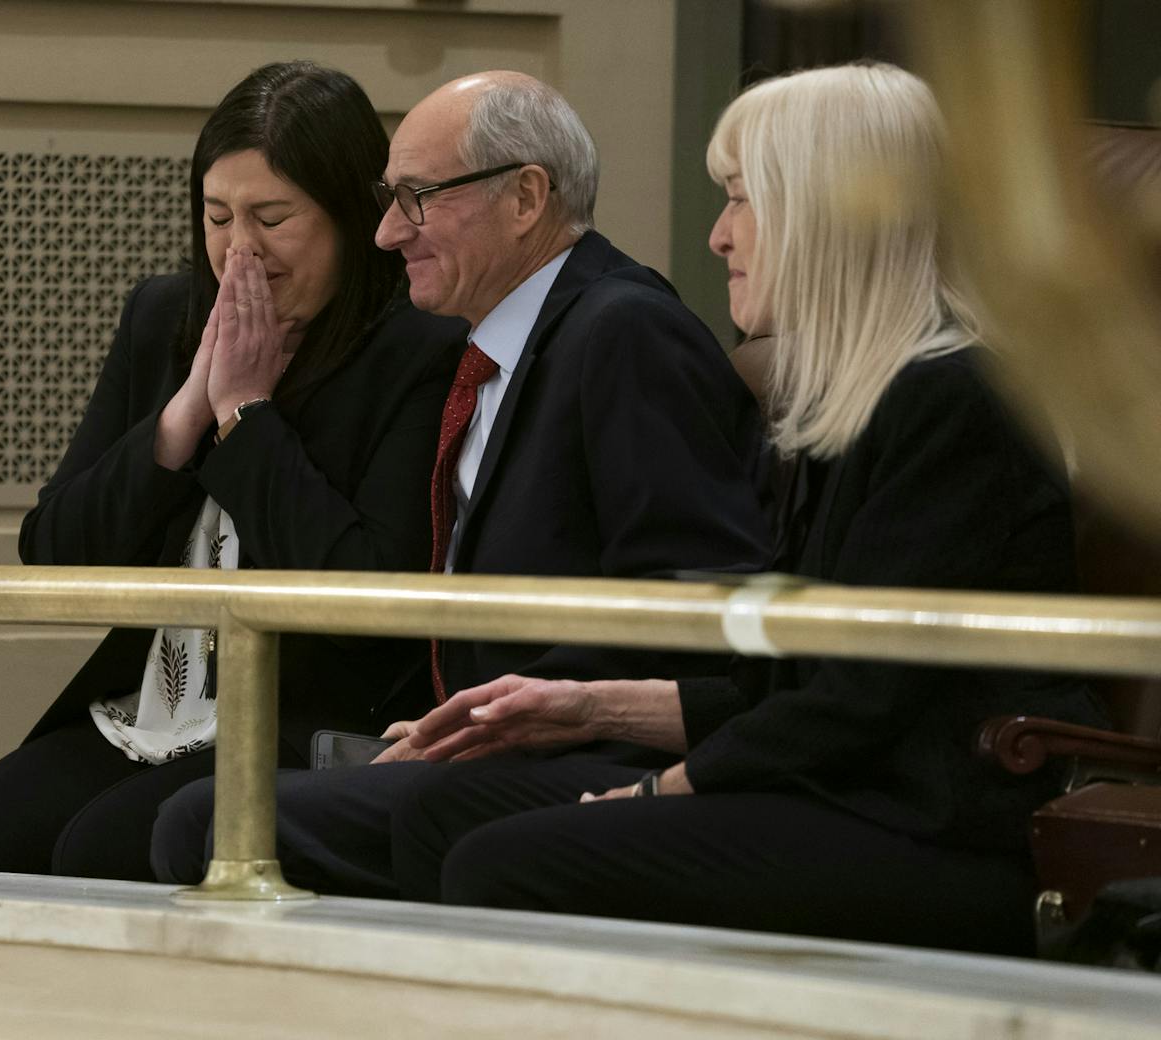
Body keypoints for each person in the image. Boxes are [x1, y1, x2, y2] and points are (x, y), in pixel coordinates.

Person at [377, 62, 1110, 956]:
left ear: (834, 211)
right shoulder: (841, 399)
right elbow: (785, 680)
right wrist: (586, 706)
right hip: (834, 784)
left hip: (930, 821)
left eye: (741, 200)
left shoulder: (958, 396)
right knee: (436, 817)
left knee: (501, 863)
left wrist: (668, 788)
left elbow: (857, 699)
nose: (720, 237)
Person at [150, 71, 772, 890]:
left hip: (590, 750)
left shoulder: (624, 329)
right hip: (480, 739)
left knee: (208, 822)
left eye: (417, 197)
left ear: (525, 198)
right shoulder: (504, 341)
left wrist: (513, 710)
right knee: (195, 811)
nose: (384, 233)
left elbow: (693, 600)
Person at [0, 61, 466, 880]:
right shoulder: (165, 315)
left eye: (273, 217)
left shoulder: (418, 350)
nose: (240, 249)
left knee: (104, 849)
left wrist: (247, 415)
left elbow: (366, 590)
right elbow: (53, 549)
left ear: (352, 216)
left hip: (307, 708)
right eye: (218, 216)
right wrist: (184, 415)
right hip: (152, 701)